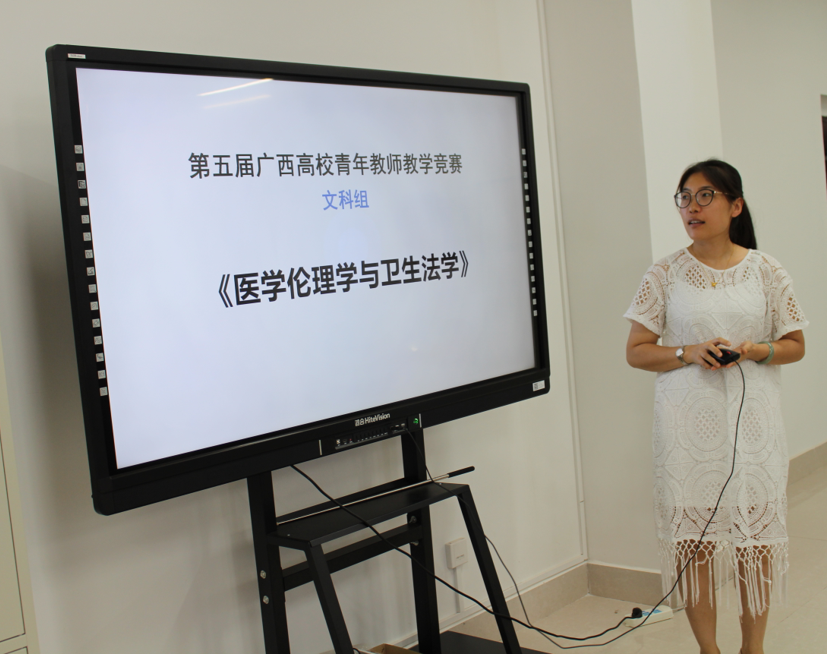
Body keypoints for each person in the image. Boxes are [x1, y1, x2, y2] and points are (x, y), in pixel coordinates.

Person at [624, 159, 807, 654]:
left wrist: (755, 350)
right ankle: (710, 650)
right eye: (685, 197)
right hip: (687, 430)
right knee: (696, 543)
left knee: (755, 543)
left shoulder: (766, 270)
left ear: (735, 205)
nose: (693, 207)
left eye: (706, 196)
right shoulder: (664, 273)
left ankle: (753, 648)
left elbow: (795, 345)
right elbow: (637, 351)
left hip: (754, 427)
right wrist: (687, 351)